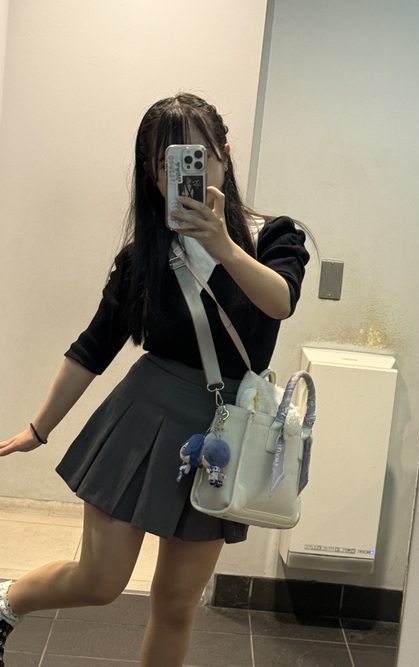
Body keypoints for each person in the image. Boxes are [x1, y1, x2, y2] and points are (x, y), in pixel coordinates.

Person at [0, 93, 310, 667]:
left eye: (195, 155)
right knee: (100, 580)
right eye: (165, 162)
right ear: (151, 173)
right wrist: (38, 429)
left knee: (175, 604)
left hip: (225, 435)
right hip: (143, 418)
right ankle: (5, 603)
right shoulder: (145, 254)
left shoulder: (273, 236)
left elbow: (280, 301)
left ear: (223, 155)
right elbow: (93, 347)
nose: (182, 173)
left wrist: (222, 245)